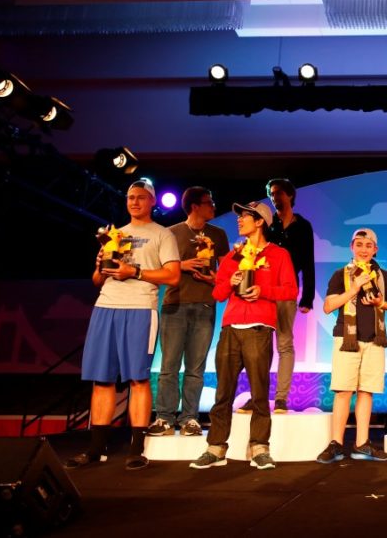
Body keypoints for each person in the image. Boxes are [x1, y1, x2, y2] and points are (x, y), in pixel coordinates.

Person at [66, 179, 180, 471]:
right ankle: (95, 449)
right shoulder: (115, 234)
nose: (135, 202)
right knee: (101, 379)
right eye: (130, 197)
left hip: (140, 308)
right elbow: (96, 280)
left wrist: (135, 271)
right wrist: (101, 264)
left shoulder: (162, 234)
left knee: (138, 379)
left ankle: (137, 449)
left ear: (152, 201)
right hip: (106, 306)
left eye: (141, 197)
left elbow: (173, 276)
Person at [190, 201, 296, 471]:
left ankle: (259, 447)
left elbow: (290, 290)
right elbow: (218, 294)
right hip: (231, 329)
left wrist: (262, 291)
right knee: (223, 393)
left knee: (259, 393)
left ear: (260, 222)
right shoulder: (233, 255)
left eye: (245, 216)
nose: (239, 220)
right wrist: (231, 281)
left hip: (259, 328)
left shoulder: (278, 254)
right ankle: (215, 448)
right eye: (239, 216)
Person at [149, 186, 229, 438]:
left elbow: (227, 273)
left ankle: (189, 418)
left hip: (205, 305)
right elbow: (158, 270)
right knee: (169, 365)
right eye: (208, 202)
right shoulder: (171, 233)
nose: (213, 206)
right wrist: (181, 265)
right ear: (194, 206)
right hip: (175, 305)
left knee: (196, 367)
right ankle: (164, 417)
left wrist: (214, 279)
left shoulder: (218, 234)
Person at [316, 229, 387, 463]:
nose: (363, 249)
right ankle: (336, 443)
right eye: (359, 244)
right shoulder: (340, 275)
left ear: (375, 250)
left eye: (368, 245)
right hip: (347, 339)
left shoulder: (382, 276)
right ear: (352, 247)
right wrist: (353, 289)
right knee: (343, 391)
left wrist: (380, 302)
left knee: (366, 391)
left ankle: (362, 443)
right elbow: (328, 306)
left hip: (374, 339)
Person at [238, 178, 314, 414]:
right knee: (259, 346)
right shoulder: (268, 224)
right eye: (271, 194)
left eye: (279, 193)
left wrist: (307, 297)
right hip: (262, 289)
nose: (274, 197)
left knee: (284, 343)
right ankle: (257, 397)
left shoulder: (303, 226)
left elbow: (308, 262)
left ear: (290, 195)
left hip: (287, 290)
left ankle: (281, 398)